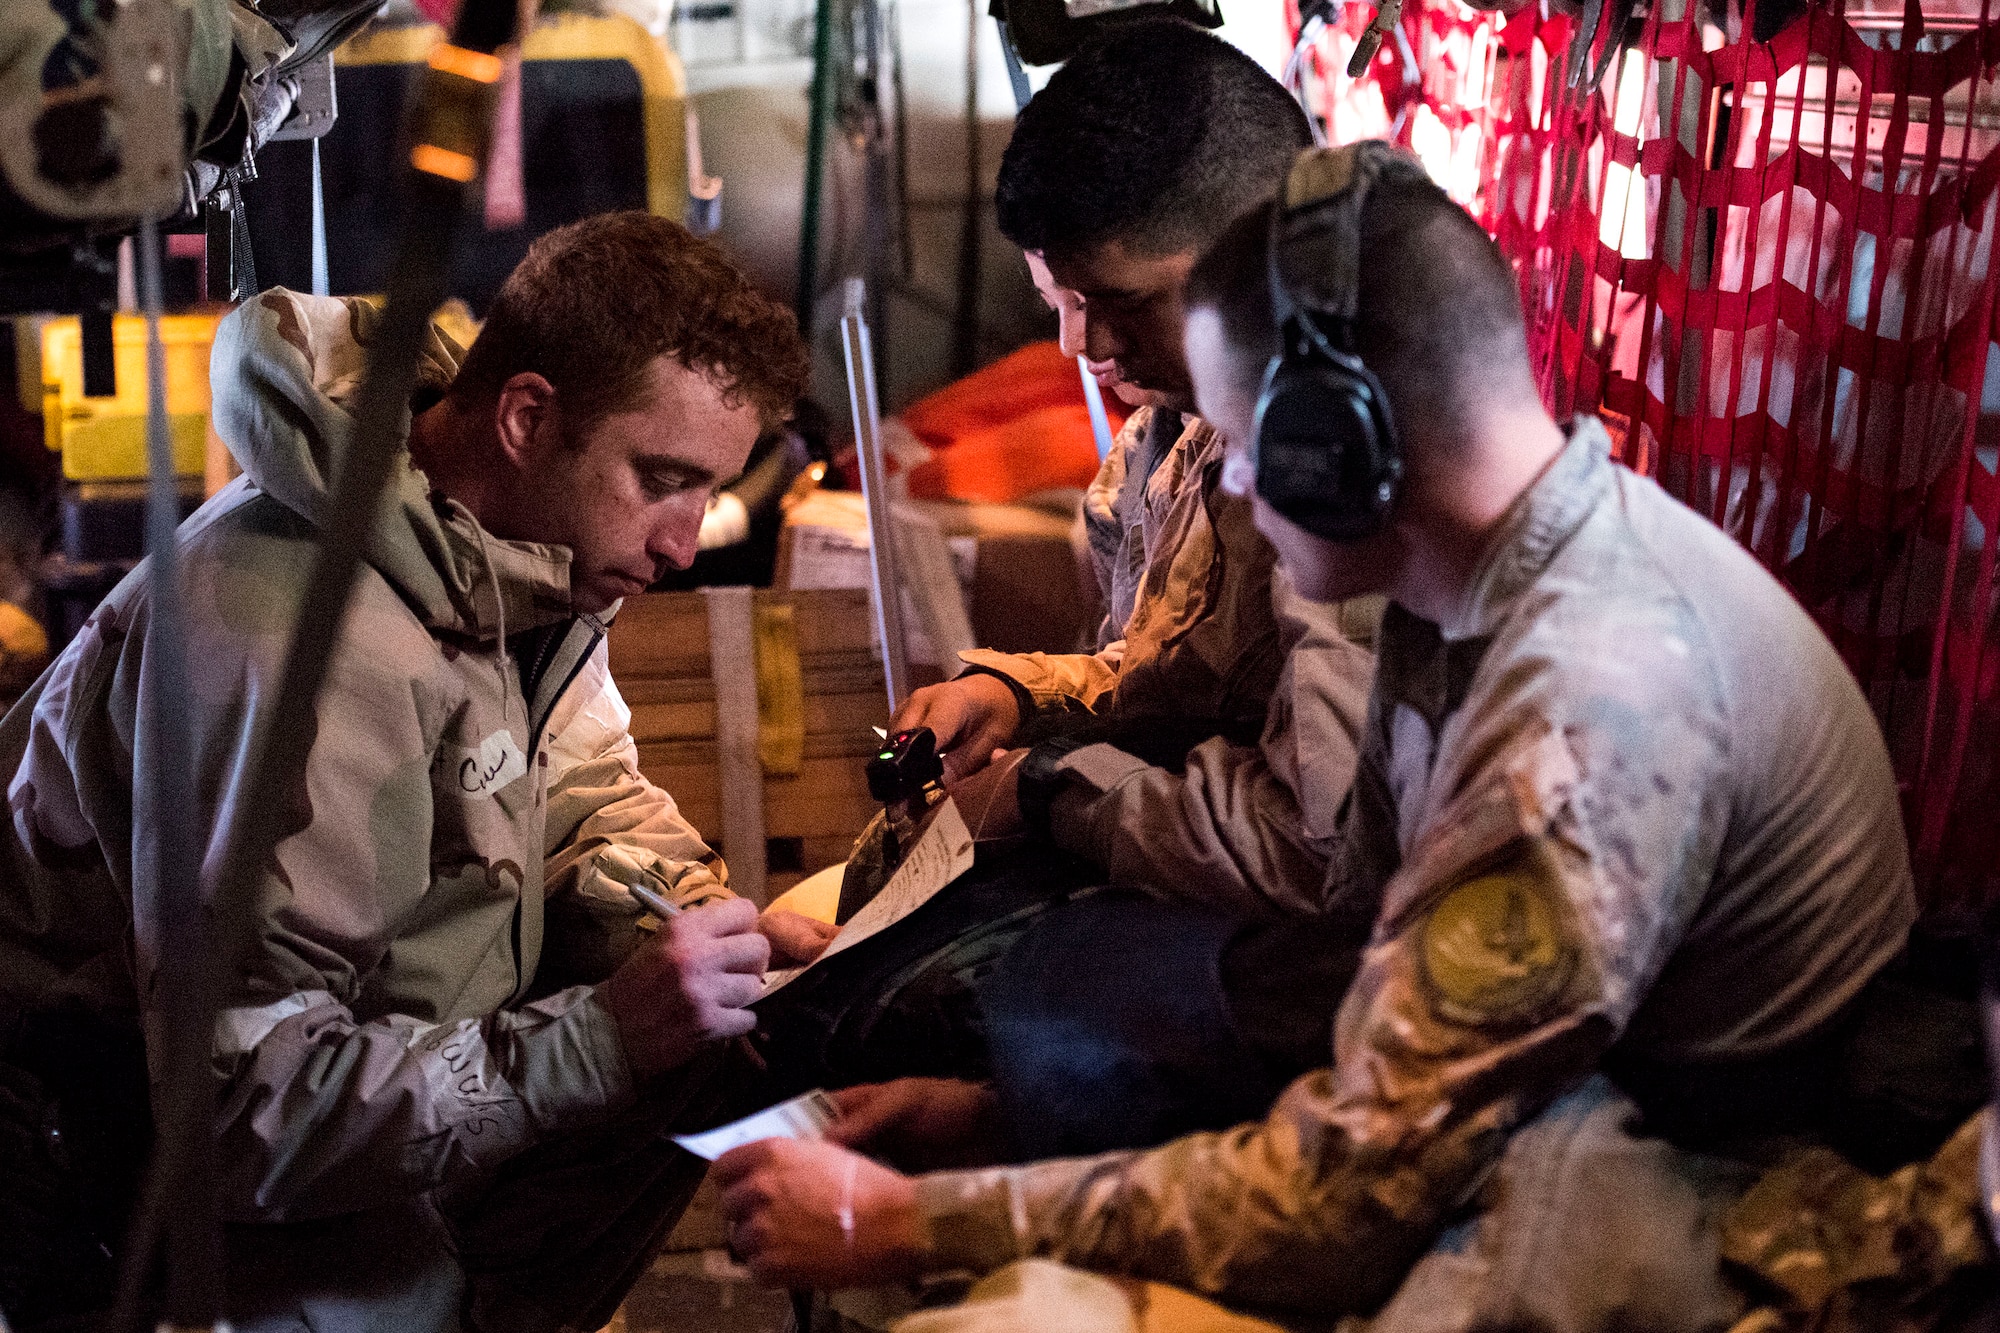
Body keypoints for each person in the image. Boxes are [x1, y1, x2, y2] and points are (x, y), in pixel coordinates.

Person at [710, 142, 1918, 1331]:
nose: (1230, 488)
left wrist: (921, 1219)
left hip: (1686, 1182)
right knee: (1059, 1012)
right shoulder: (1465, 591)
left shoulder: (1586, 711)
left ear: (1334, 446)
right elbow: (1369, 974)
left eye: (1238, 445)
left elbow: (1342, 1194)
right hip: (1543, 1105)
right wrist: (993, 1121)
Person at [0, 212, 833, 1332]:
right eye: (661, 480)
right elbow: (240, 1111)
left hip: (339, 1110)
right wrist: (591, 1042)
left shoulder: (514, 563)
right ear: (527, 416)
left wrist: (695, 917)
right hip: (116, 1174)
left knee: (719, 1056)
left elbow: (577, 790)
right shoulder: (293, 646)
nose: (684, 541)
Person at [894, 19, 1374, 908]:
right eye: (1061, 303)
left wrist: (1052, 792)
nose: (1084, 346)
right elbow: (1172, 685)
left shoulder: (1343, 467)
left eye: (1120, 301)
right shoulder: (1175, 429)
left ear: (1261, 252)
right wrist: (1019, 695)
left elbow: (1321, 851)